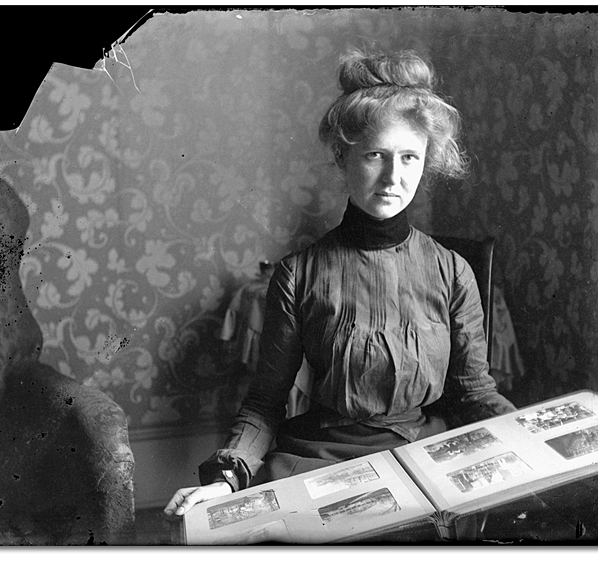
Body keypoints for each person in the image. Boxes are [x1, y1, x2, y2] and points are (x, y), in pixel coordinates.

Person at [165, 48, 516, 518]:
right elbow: (266, 404)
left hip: (424, 453)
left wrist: (527, 436)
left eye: (410, 157)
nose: (394, 177)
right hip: (321, 457)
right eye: (376, 155)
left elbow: (475, 394)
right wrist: (227, 479)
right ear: (341, 155)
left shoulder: (452, 271)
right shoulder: (298, 275)